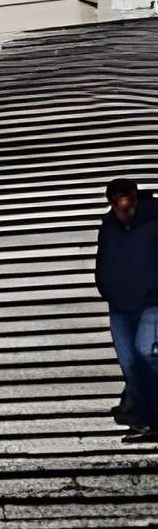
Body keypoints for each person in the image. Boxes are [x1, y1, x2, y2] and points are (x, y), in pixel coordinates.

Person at [94, 178, 158, 442]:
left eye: (129, 204)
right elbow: (104, 257)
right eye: (119, 206)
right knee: (130, 363)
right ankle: (142, 418)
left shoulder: (154, 219)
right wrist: (105, 286)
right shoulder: (109, 225)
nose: (125, 211)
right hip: (119, 305)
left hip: (152, 302)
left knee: (146, 353)